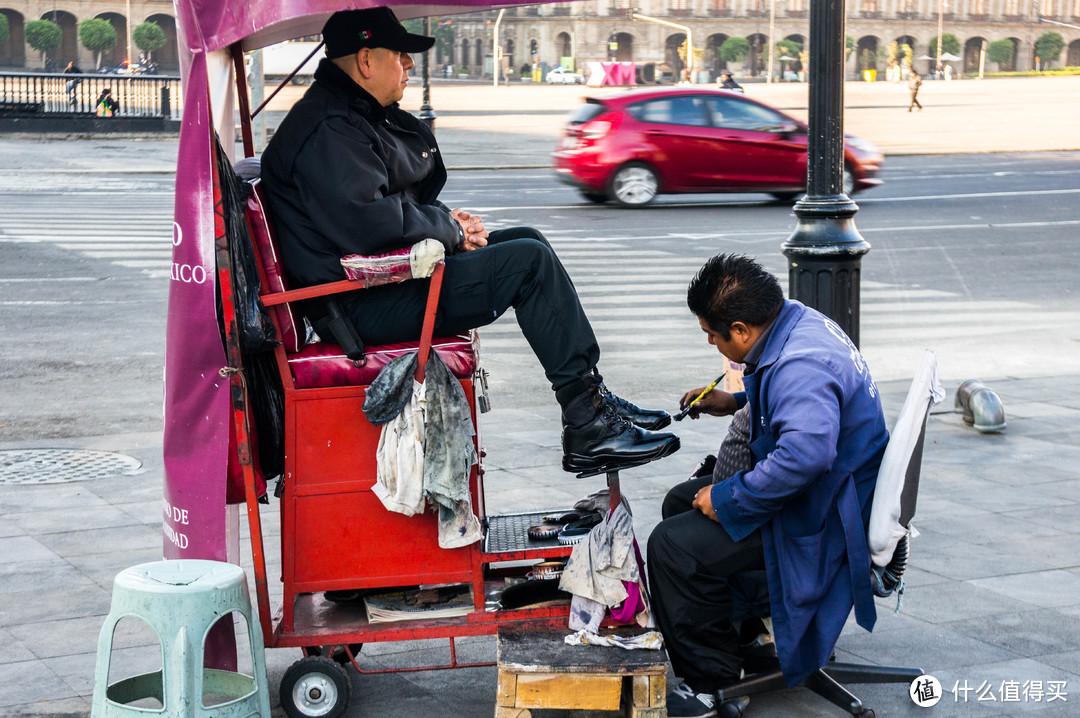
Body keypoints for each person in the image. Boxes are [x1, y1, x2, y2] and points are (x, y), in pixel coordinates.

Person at [260, 8, 681, 476]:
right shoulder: (329, 127)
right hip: (357, 305)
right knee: (527, 264)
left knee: (527, 240)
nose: (410, 66)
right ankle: (587, 423)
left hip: (376, 284)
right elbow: (370, 222)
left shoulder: (344, 115)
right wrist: (451, 231)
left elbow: (387, 202)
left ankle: (591, 396)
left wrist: (447, 223)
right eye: (401, 55)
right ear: (365, 60)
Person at [647, 254, 889, 718]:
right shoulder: (797, 321)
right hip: (836, 488)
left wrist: (729, 498)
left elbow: (806, 454)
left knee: (672, 547)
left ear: (741, 330)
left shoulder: (802, 363)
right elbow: (796, 409)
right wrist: (736, 399)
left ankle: (710, 685)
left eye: (713, 335)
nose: (714, 344)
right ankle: (747, 628)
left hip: (826, 515)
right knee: (680, 501)